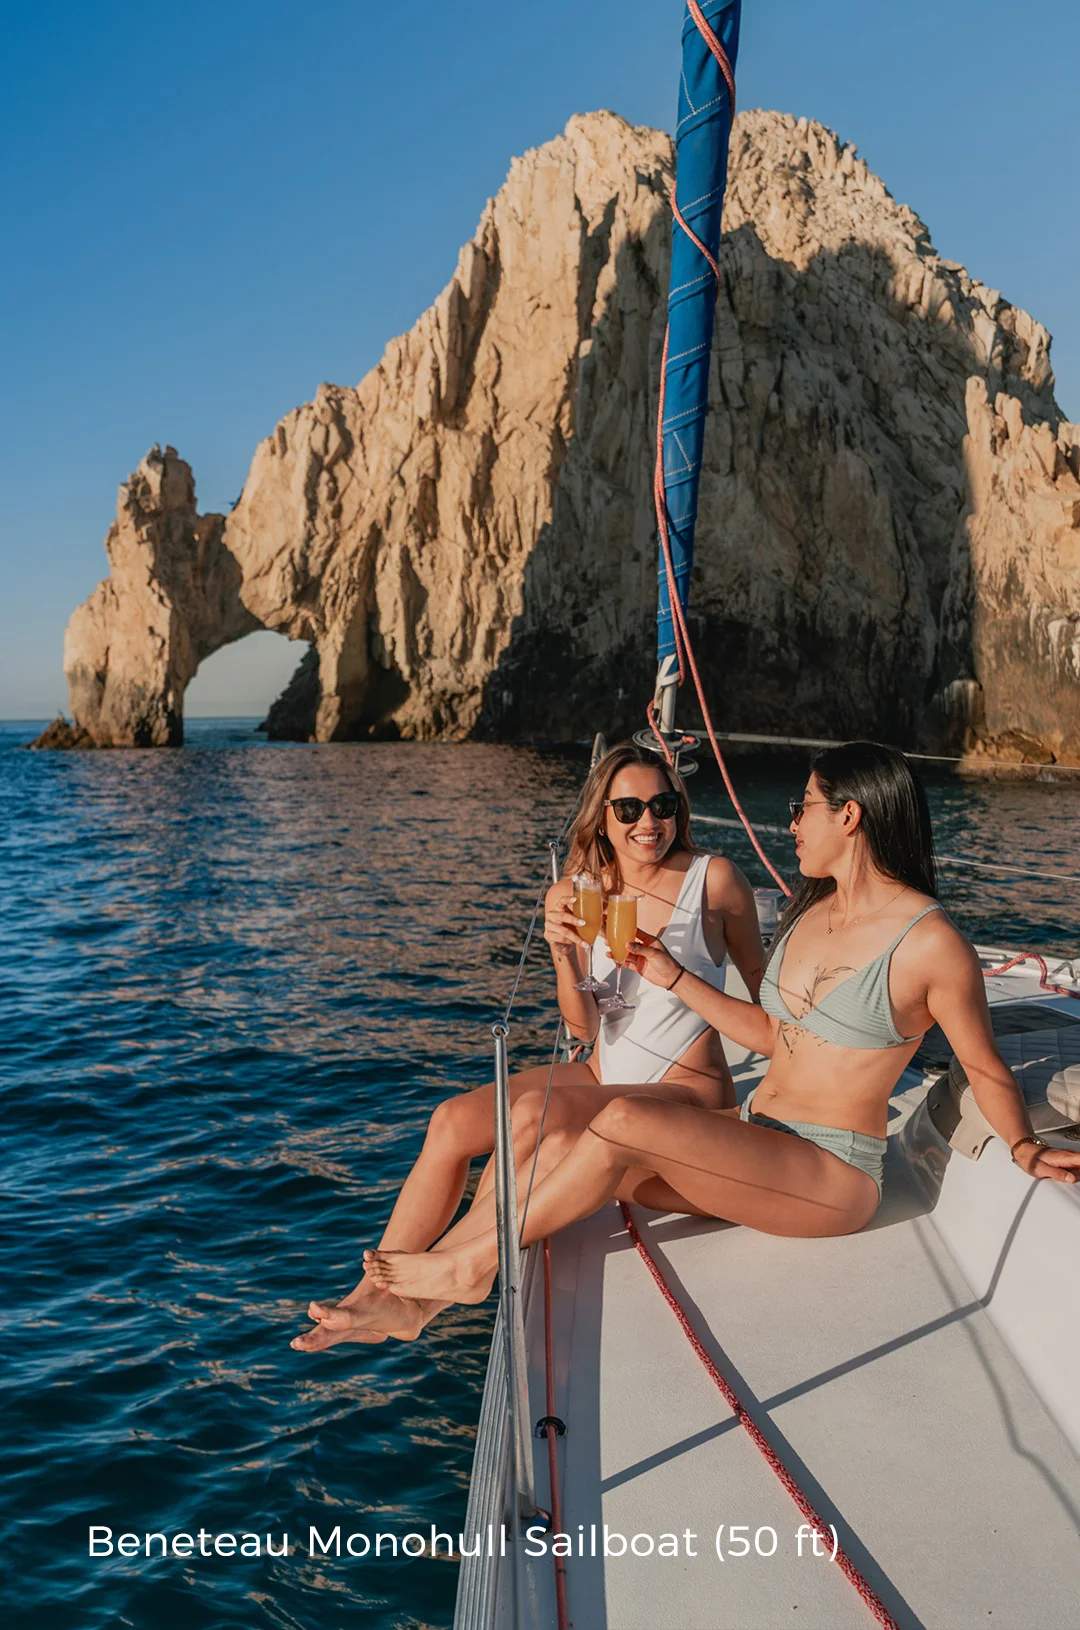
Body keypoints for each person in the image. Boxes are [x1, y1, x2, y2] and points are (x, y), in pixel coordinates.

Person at [358, 741, 1080, 1316]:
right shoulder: (811, 915)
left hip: (831, 1174)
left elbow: (982, 1064)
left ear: (850, 816)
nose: (792, 821)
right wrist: (672, 975)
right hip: (754, 1143)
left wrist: (1022, 1146)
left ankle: (468, 1268)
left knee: (620, 1121)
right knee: (559, 1137)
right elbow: (771, 1034)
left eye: (805, 807)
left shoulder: (929, 941)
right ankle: (411, 1306)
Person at [291, 742, 765, 1351]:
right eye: (629, 809)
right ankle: (372, 1296)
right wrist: (562, 952)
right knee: (452, 1120)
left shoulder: (714, 880)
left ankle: (432, 1294)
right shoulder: (580, 890)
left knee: (527, 1117)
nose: (649, 823)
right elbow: (585, 1027)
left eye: (662, 805)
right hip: (604, 1067)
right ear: (602, 817)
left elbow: (765, 997)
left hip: (688, 1088)